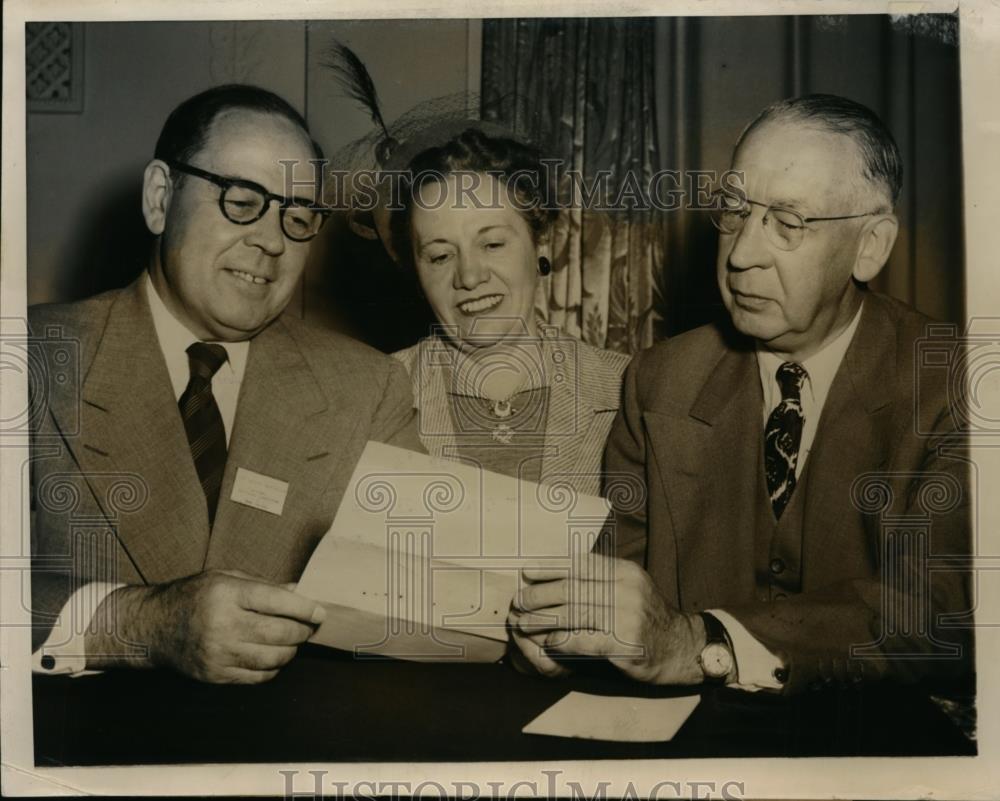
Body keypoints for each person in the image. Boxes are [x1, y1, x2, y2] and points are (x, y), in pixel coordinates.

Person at [508, 94, 972, 694]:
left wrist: (703, 643)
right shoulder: (658, 380)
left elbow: (945, 613)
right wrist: (566, 640)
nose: (742, 255)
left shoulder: (954, 382)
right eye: (734, 211)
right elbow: (622, 597)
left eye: (787, 223)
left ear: (871, 246)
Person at [29, 84, 422, 684]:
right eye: (242, 200)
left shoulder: (368, 389)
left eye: (297, 217)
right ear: (161, 198)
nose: (271, 241)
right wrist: (136, 624)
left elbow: (428, 604)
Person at [389, 127, 631, 498]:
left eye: (492, 243)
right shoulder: (374, 393)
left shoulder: (630, 390)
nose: (469, 276)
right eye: (440, 256)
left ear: (541, 242)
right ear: (417, 271)